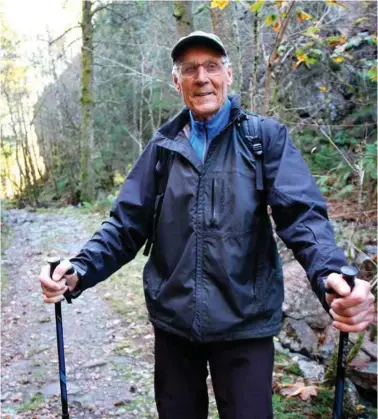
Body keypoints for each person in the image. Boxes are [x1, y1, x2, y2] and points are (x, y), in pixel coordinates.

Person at [40, 31, 376, 419]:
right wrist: (79, 269)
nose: (201, 77)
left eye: (211, 67)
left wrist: (330, 272)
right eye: (190, 70)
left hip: (244, 324)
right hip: (175, 326)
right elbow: (124, 226)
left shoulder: (263, 139)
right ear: (176, 81)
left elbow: (302, 216)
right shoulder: (163, 147)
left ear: (228, 76)